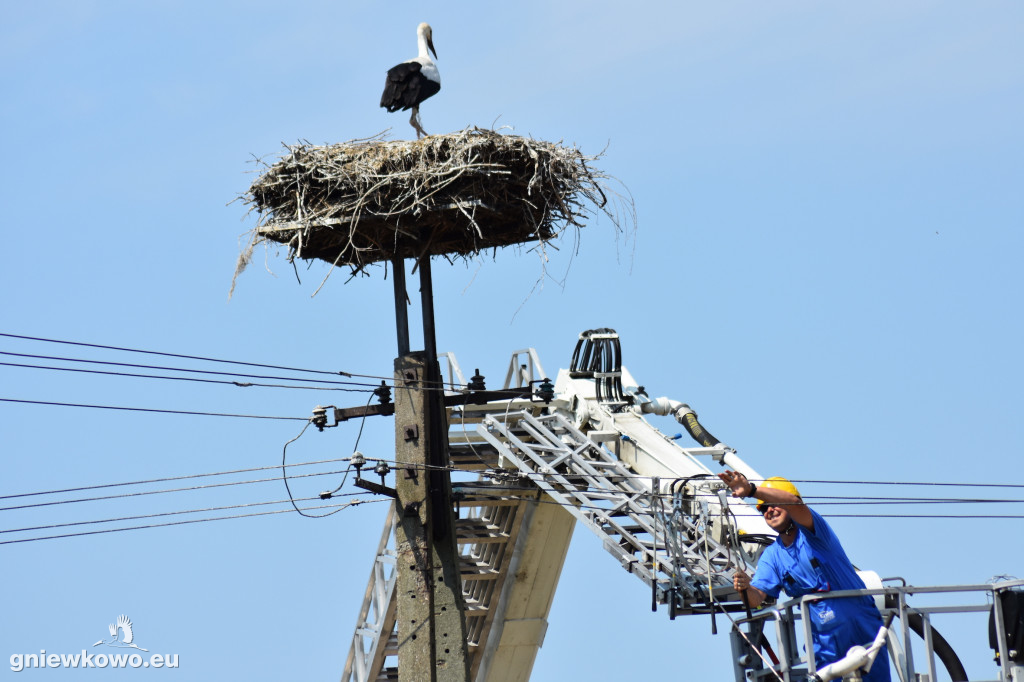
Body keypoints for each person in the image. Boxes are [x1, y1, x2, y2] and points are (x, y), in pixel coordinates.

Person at [718, 470, 891, 682]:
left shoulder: (815, 532)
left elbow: (795, 504)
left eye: (774, 504)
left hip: (860, 624)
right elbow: (756, 598)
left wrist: (752, 490)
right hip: (823, 638)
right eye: (763, 508)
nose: (769, 510)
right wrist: (745, 588)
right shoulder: (772, 556)